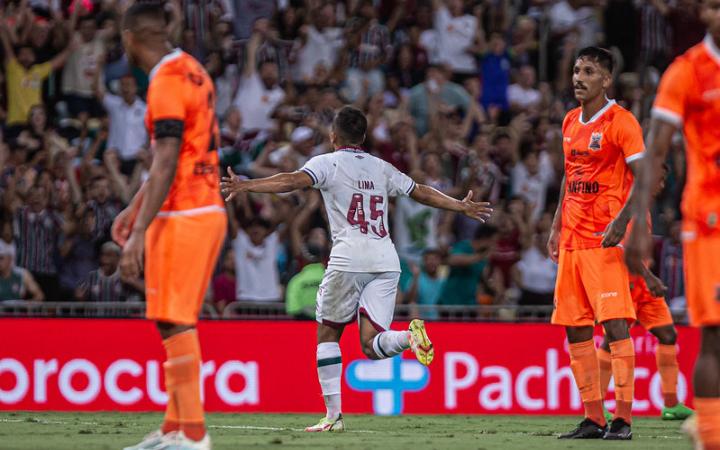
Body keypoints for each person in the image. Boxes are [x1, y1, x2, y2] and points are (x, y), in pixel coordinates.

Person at [221, 106, 492, 432]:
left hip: (349, 258)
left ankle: (333, 416)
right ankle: (409, 336)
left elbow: (291, 181)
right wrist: (460, 204)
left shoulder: (326, 163)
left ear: (333, 135)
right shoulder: (382, 167)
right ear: (363, 137)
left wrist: (248, 186)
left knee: (328, 333)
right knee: (370, 344)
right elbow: (419, 191)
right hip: (386, 260)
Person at [113, 4, 227, 450]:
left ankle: (193, 434)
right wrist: (136, 208)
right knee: (168, 320)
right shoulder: (194, 69)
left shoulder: (163, 80)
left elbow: (164, 159)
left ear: (131, 37)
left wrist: (138, 231)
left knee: (175, 321)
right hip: (193, 207)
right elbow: (176, 158)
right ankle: (173, 428)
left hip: (186, 212)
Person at [625, 3, 720, 446]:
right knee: (714, 336)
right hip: (708, 221)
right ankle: (711, 434)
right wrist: (639, 222)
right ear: (703, 13)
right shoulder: (686, 71)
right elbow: (656, 152)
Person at [548, 47, 646, 440]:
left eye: (589, 71)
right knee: (574, 329)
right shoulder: (570, 121)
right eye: (576, 70)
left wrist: (622, 223)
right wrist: (555, 224)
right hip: (572, 239)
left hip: (604, 239)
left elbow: (644, 175)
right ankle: (594, 417)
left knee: (615, 326)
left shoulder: (622, 122)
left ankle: (622, 418)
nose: (578, 77)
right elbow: (569, 177)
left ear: (607, 79)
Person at [599, 165, 693, 421]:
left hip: (642, 284)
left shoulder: (645, 208)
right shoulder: (628, 206)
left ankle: (672, 404)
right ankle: (597, 406)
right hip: (625, 282)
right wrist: (650, 277)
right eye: (658, 180)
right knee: (613, 341)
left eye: (663, 180)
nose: (661, 186)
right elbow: (624, 249)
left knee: (667, 334)